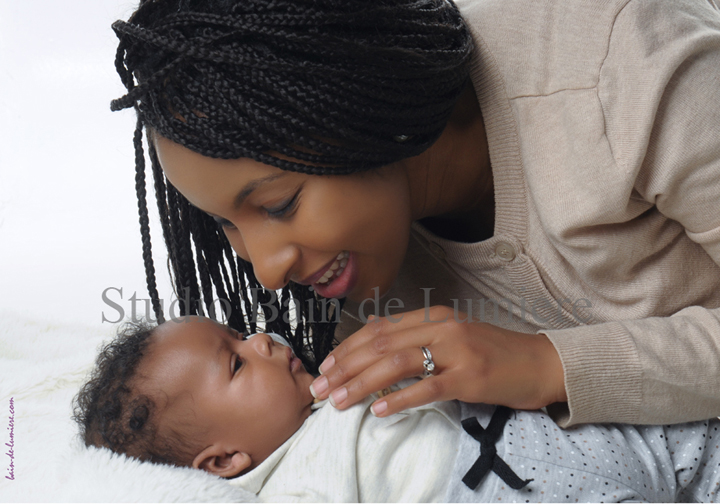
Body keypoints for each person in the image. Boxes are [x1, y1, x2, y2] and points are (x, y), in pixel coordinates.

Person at [109, 0, 720, 430]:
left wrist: (546, 365)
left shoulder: (622, 65)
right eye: (226, 224)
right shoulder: (363, 284)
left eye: (279, 204)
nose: (268, 271)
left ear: (357, 102)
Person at [73, 317, 720, 502]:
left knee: (693, 442)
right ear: (225, 459)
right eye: (237, 361)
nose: (263, 339)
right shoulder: (297, 490)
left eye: (240, 331)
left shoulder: (329, 387)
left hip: (552, 436)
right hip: (492, 494)